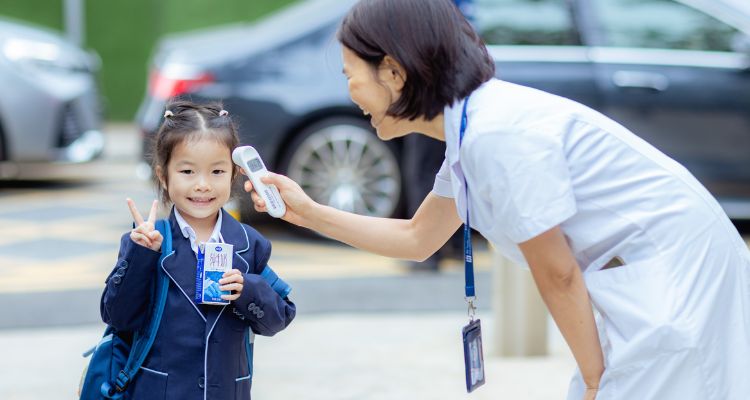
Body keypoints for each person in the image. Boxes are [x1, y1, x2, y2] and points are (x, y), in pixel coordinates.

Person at [243, 0, 750, 398]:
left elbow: (558, 273)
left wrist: (596, 380)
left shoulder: (497, 134)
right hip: (653, 277)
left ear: (394, 73)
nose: (351, 90)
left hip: (678, 277)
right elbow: (419, 238)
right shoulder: (475, 131)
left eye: (350, 73)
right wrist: (306, 211)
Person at [101, 101, 296, 399]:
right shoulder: (147, 242)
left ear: (233, 176)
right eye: (188, 171)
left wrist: (247, 290)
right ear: (164, 176)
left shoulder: (249, 244)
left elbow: (278, 318)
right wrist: (141, 256)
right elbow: (118, 317)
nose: (203, 185)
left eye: (217, 171)